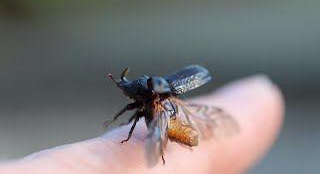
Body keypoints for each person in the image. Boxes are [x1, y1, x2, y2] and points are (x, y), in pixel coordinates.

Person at [0, 75, 284, 174]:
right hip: (179, 121)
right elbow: (134, 111)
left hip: (177, 128)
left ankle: (153, 147)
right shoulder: (156, 99)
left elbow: (136, 117)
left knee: (139, 123)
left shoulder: (152, 105)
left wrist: (150, 144)